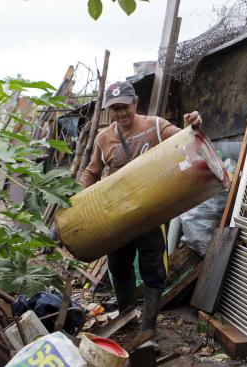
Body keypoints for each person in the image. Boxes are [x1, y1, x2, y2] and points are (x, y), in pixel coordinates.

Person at [79, 81, 202, 335]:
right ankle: (127, 322)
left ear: (135, 103)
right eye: (115, 109)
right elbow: (91, 172)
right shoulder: (104, 139)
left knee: (153, 270)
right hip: (119, 217)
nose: (121, 113)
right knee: (119, 267)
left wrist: (193, 124)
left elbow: (185, 139)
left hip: (152, 214)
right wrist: (82, 201)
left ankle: (148, 330)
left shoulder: (155, 126)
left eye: (125, 107)